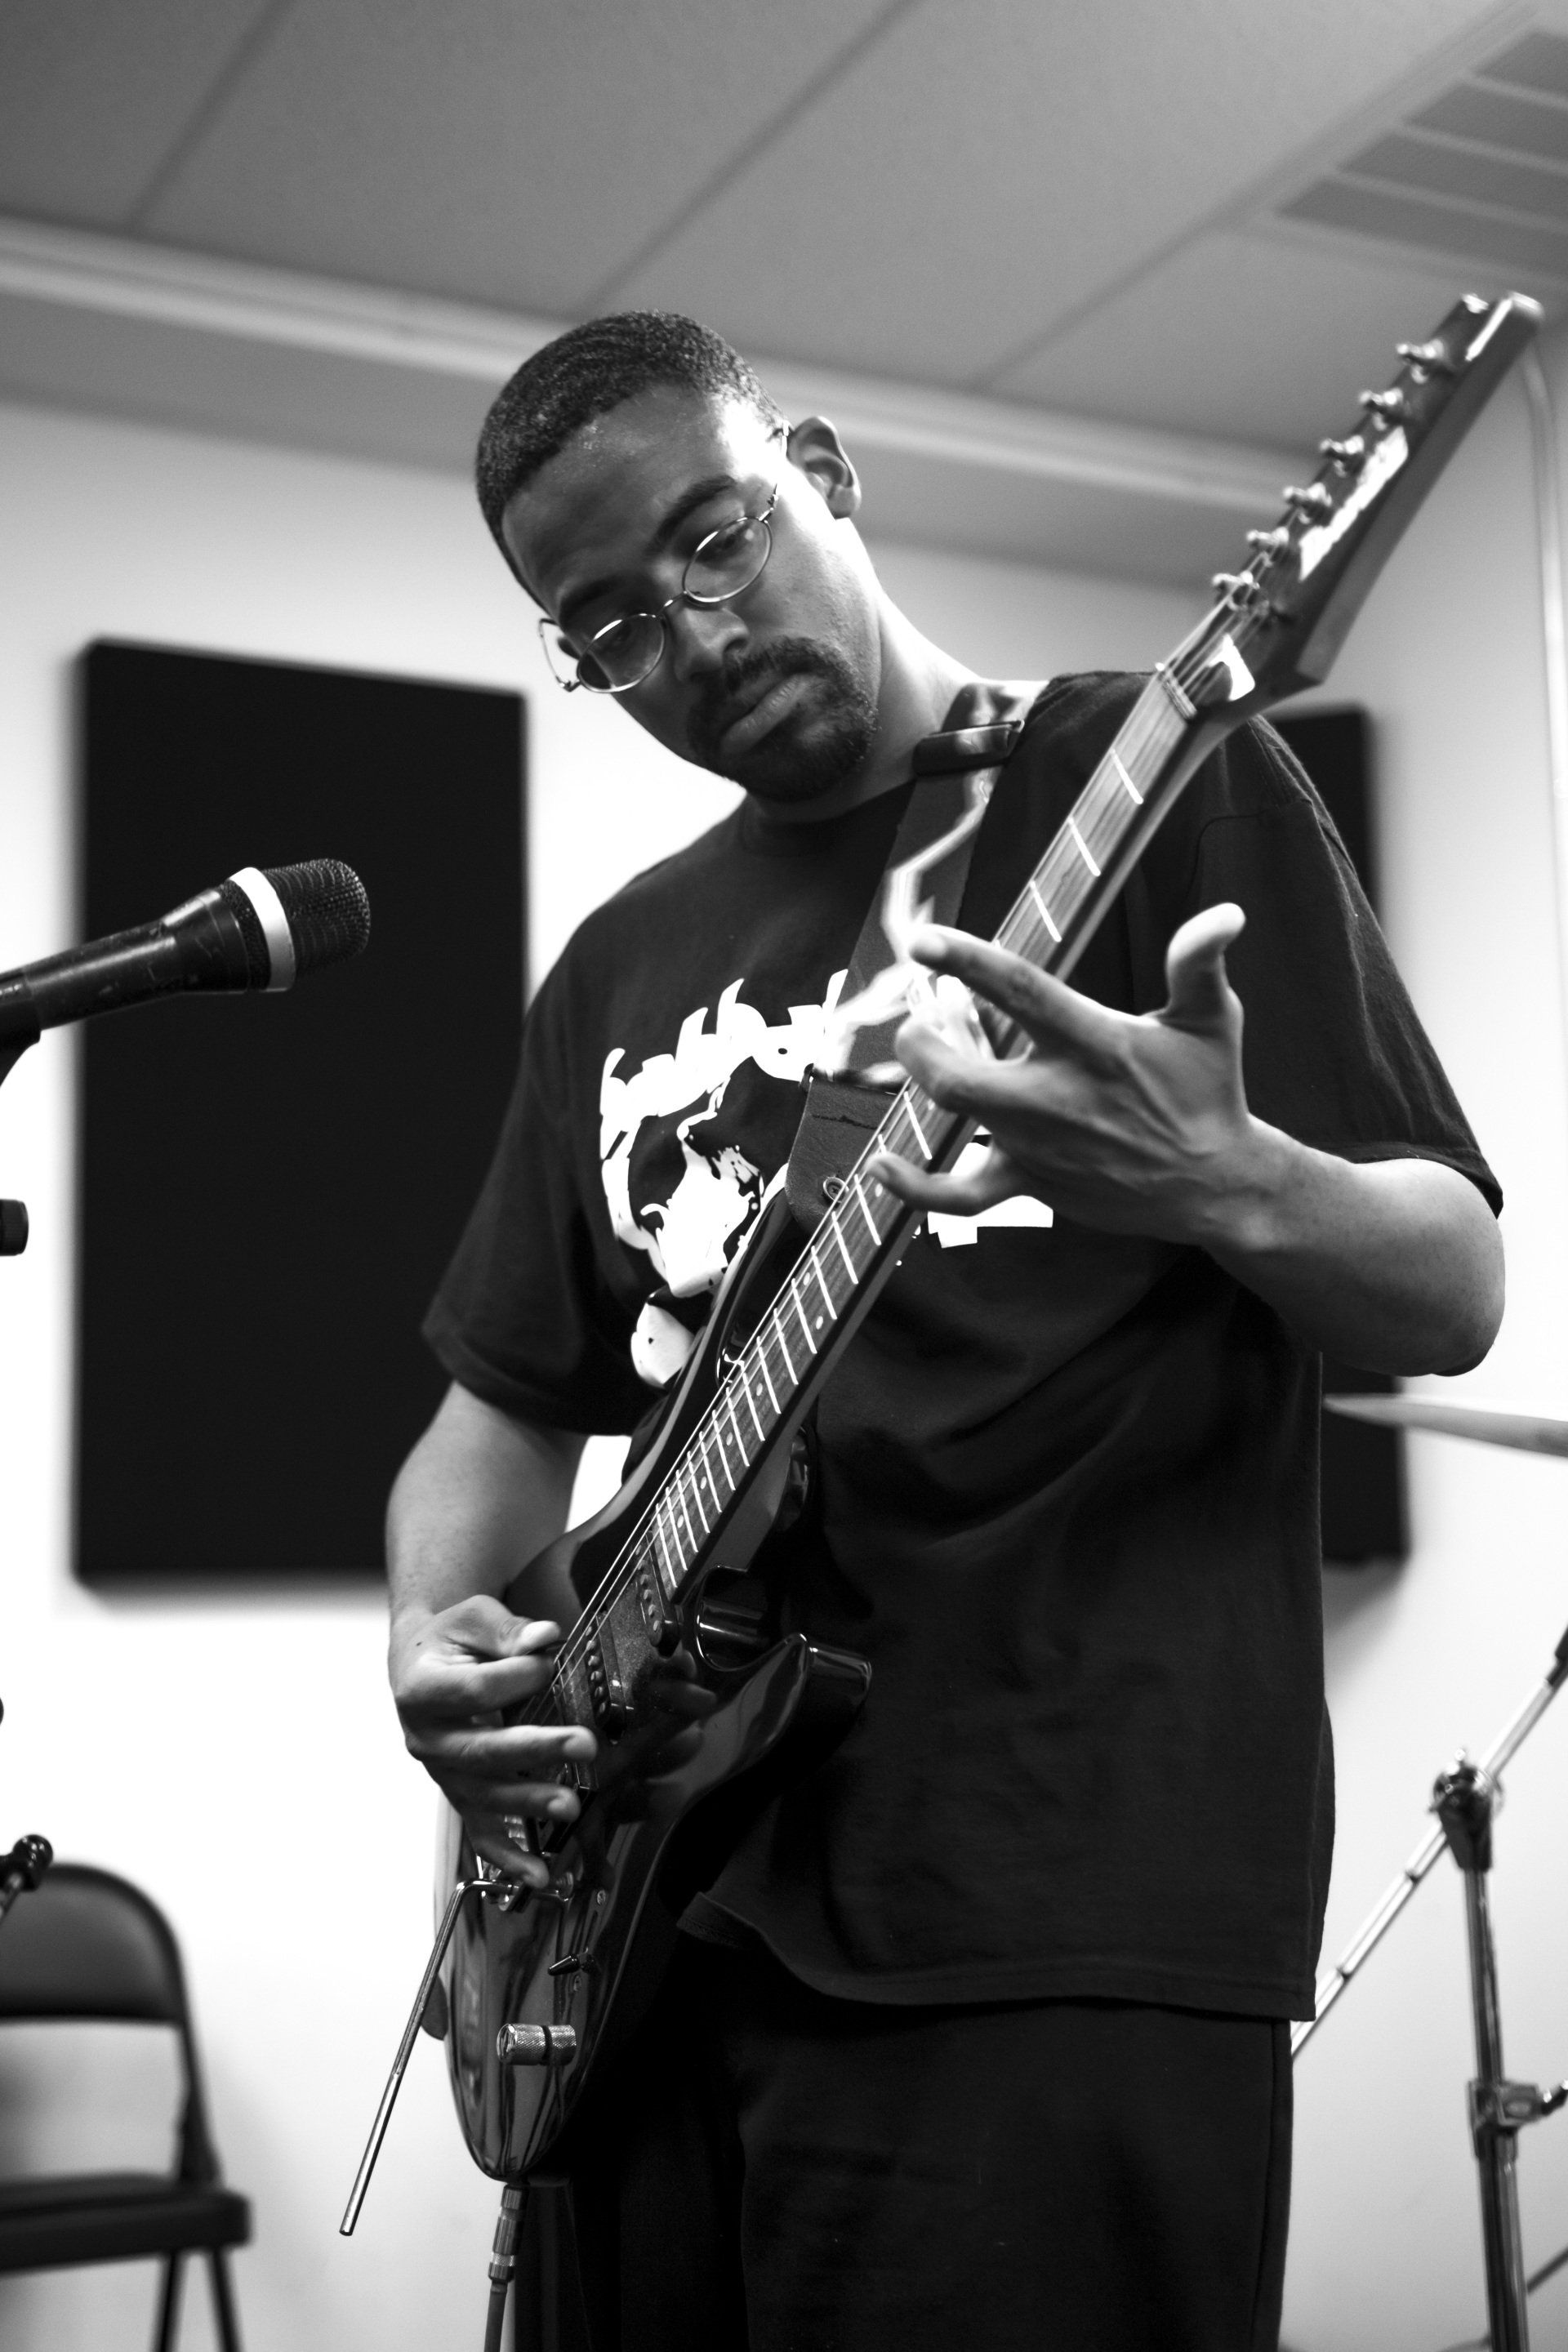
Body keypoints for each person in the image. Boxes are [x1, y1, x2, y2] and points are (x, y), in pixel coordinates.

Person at [386, 312, 1503, 2352]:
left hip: (1054, 1896)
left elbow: (1451, 1282)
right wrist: (434, 1642)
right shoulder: (617, 962)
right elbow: (491, 1407)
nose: (695, 634)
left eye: (715, 538)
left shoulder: (1156, 779)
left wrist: (1219, 1178)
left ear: (817, 463)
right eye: (612, 624)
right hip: (637, 1933)